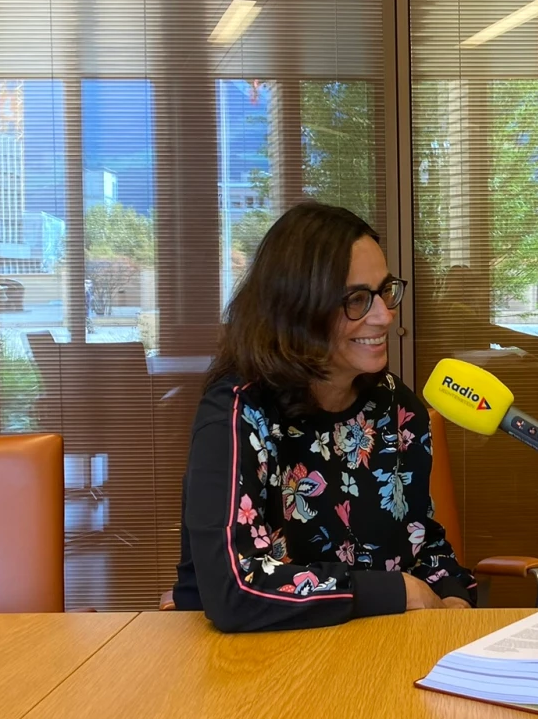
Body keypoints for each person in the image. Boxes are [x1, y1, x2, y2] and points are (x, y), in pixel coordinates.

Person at [174, 202, 475, 632]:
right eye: (357, 300)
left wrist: (455, 602)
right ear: (298, 309)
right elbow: (234, 589)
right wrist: (400, 591)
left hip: (374, 652)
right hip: (240, 664)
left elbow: (423, 542)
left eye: (385, 291)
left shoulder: (398, 407)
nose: (384, 315)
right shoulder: (238, 413)